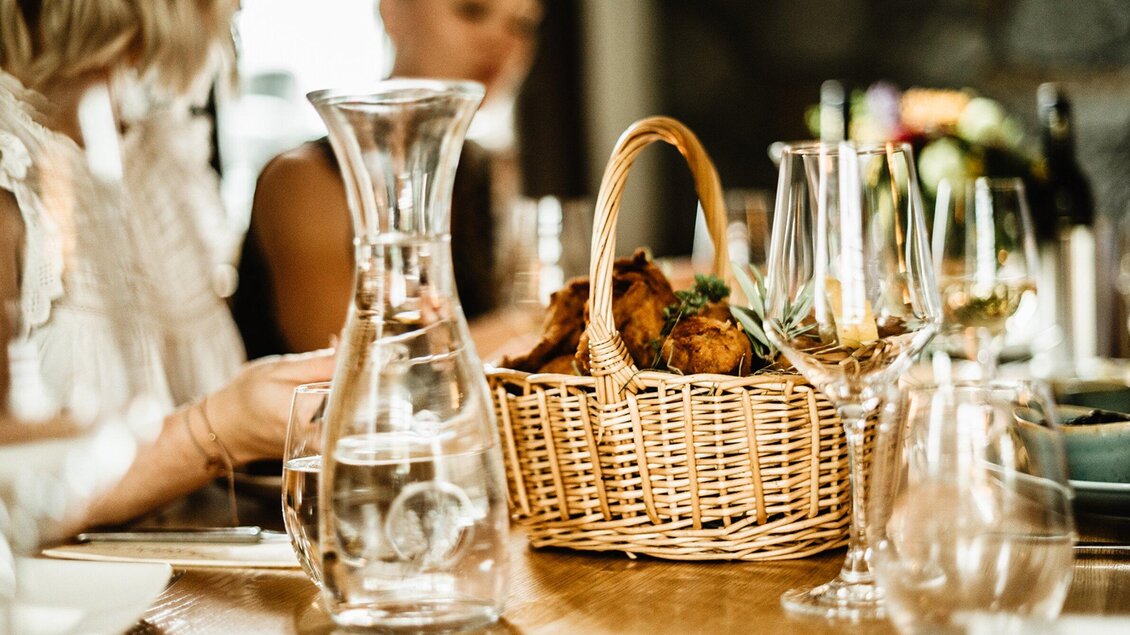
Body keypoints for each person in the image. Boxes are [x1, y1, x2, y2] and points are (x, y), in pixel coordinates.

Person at [0, 0, 333, 530]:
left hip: (181, 588)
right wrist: (220, 428)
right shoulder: (10, 165)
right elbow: (10, 499)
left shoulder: (158, 146)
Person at [232, 0, 543, 358]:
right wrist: (526, 323)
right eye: (471, 10)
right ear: (393, 10)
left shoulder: (488, 174)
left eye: (521, 25)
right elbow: (348, 370)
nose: (502, 42)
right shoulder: (301, 181)